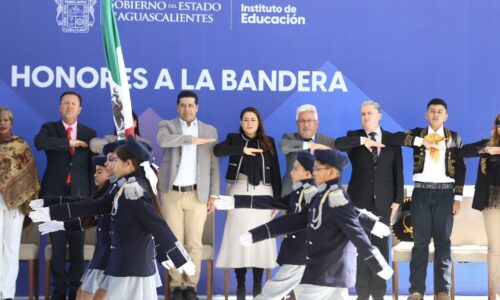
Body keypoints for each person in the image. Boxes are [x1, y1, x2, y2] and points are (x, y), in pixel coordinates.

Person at [29, 136, 196, 300]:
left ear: (128, 164)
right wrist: (52, 210)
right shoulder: (122, 186)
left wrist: (179, 257)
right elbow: (94, 207)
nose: (109, 165)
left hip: (131, 265)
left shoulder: (132, 190)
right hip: (122, 264)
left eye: (114, 160)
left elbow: (156, 226)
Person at [214, 151, 390, 300]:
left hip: (311, 260)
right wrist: (238, 205)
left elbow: (349, 219)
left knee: (276, 293)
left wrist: (372, 232)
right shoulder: (310, 193)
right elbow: (286, 211)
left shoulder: (317, 194)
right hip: (316, 261)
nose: (292, 172)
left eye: (297, 168)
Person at [389, 98, 466, 300]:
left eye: (440, 111)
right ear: (426, 114)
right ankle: (416, 290)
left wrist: (457, 197)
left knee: (443, 242)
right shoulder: (418, 134)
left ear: (446, 116)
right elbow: (394, 138)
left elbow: (461, 169)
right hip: (421, 193)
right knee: (420, 242)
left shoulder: (454, 138)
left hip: (445, 194)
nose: (435, 114)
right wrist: (419, 141)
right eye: (432, 111)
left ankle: (442, 290)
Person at [30, 141, 123, 300]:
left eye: (99, 171)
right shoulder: (105, 193)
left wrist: (50, 209)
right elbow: (89, 218)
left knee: (87, 295)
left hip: (113, 257)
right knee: (82, 294)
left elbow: (84, 205)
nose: (94, 175)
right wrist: (60, 223)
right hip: (102, 256)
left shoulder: (115, 193)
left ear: (111, 174)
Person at [335, 100, 404, 300]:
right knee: (361, 249)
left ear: (379, 115)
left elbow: (397, 171)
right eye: (363, 114)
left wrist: (398, 200)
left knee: (381, 250)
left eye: (369, 114)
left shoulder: (391, 140)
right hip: (359, 202)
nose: (365, 117)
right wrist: (361, 142)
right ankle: (362, 294)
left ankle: (379, 294)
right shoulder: (353, 137)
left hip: (384, 202)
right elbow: (338, 145)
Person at [157, 90, 220, 300]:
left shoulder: (210, 130)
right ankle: (176, 285)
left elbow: (213, 165)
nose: (187, 109)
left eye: (191, 105)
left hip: (197, 194)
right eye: (183, 105)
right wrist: (190, 140)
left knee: (194, 243)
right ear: (177, 108)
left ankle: (190, 285)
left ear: (197, 107)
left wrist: (214, 194)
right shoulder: (167, 125)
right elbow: (163, 141)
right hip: (171, 194)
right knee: (174, 242)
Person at [34, 91, 97, 300]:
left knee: (77, 249)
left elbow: (91, 167)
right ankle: (58, 292)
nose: (69, 106)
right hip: (54, 198)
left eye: (73, 103)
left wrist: (91, 197)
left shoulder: (89, 132)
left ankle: (75, 292)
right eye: (65, 103)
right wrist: (69, 143)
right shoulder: (49, 129)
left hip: (79, 199)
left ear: (80, 109)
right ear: (60, 107)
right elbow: (40, 143)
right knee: (58, 248)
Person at [214, 106, 281, 299]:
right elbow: (217, 151)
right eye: (245, 119)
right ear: (241, 122)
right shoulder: (234, 139)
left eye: (253, 119)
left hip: (263, 192)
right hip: (238, 192)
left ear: (259, 122)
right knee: (239, 240)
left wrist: (277, 202)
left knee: (259, 240)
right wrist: (241, 150)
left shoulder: (268, 142)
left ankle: (258, 290)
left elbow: (275, 171)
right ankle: (241, 288)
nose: (249, 123)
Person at [0, 106, 40, 300]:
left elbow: (30, 173)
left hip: (15, 203)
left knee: (11, 248)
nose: (3, 123)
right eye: (0, 119)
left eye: (7, 119)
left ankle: (7, 293)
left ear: (11, 122)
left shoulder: (20, 144)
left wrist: (26, 202)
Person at [461, 113, 500, 299]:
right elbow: (463, 151)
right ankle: (492, 293)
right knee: (495, 248)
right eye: (499, 124)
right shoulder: (488, 144)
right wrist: (485, 149)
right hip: (493, 202)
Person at [279, 104, 336, 196]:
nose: (306, 125)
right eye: (302, 121)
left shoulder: (329, 141)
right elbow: (283, 146)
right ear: (297, 124)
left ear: (316, 123)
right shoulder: (289, 138)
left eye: (309, 120)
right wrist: (310, 145)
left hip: (320, 195)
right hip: (292, 194)